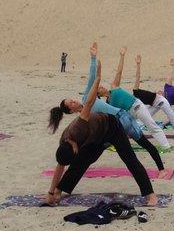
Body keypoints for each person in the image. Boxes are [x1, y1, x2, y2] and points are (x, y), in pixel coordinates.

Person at [45, 58, 159, 207]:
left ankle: (151, 194)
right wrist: (51, 192)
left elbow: (91, 102)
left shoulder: (77, 127)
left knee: (129, 159)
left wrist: (98, 77)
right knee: (82, 161)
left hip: (112, 127)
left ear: (75, 147)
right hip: (96, 138)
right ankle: (61, 190)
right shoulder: (64, 142)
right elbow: (60, 164)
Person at [48, 43, 167, 173]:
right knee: (94, 151)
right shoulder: (81, 120)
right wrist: (71, 142)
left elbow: (92, 78)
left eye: (72, 99)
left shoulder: (87, 98)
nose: (74, 101)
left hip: (123, 120)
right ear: (71, 111)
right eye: (71, 103)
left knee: (143, 143)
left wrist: (93, 58)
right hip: (108, 131)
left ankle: (161, 169)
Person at [97, 47, 171, 149]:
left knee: (151, 125)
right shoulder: (108, 103)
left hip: (137, 106)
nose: (102, 86)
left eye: (100, 86)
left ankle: (166, 146)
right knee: (124, 130)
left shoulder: (114, 87)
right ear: (99, 94)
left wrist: (122, 56)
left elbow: (119, 71)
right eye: (99, 88)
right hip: (129, 114)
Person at [133, 55, 174, 138]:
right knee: (144, 117)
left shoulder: (135, 91)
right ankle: (134, 131)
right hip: (154, 104)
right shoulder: (134, 102)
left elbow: (138, 77)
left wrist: (138, 64)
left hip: (161, 101)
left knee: (172, 116)